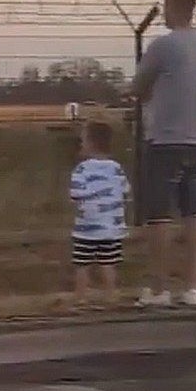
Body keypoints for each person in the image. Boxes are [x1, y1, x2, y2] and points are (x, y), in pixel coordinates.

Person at [134, 0, 196, 307]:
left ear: (172, 7)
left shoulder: (163, 45)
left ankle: (159, 288)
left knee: (159, 215)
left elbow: (138, 86)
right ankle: (192, 287)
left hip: (165, 138)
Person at [70, 120, 131, 307]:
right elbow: (126, 190)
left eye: (82, 141)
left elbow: (75, 193)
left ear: (90, 143)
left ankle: (81, 298)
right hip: (111, 227)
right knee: (108, 262)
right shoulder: (116, 168)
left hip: (86, 228)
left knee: (82, 264)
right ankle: (111, 295)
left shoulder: (82, 169)